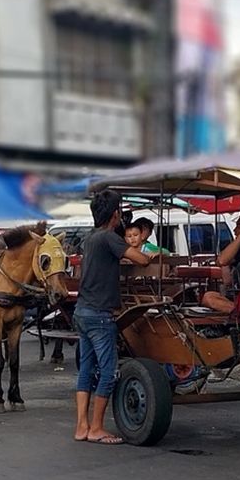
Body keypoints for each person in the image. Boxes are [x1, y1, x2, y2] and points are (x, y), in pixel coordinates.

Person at [73, 190, 151, 445]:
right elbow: (141, 258)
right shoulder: (109, 237)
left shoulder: (91, 238)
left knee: (86, 369)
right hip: (99, 315)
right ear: (115, 214)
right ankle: (96, 428)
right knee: (108, 371)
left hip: (82, 312)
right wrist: (150, 255)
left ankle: (82, 427)